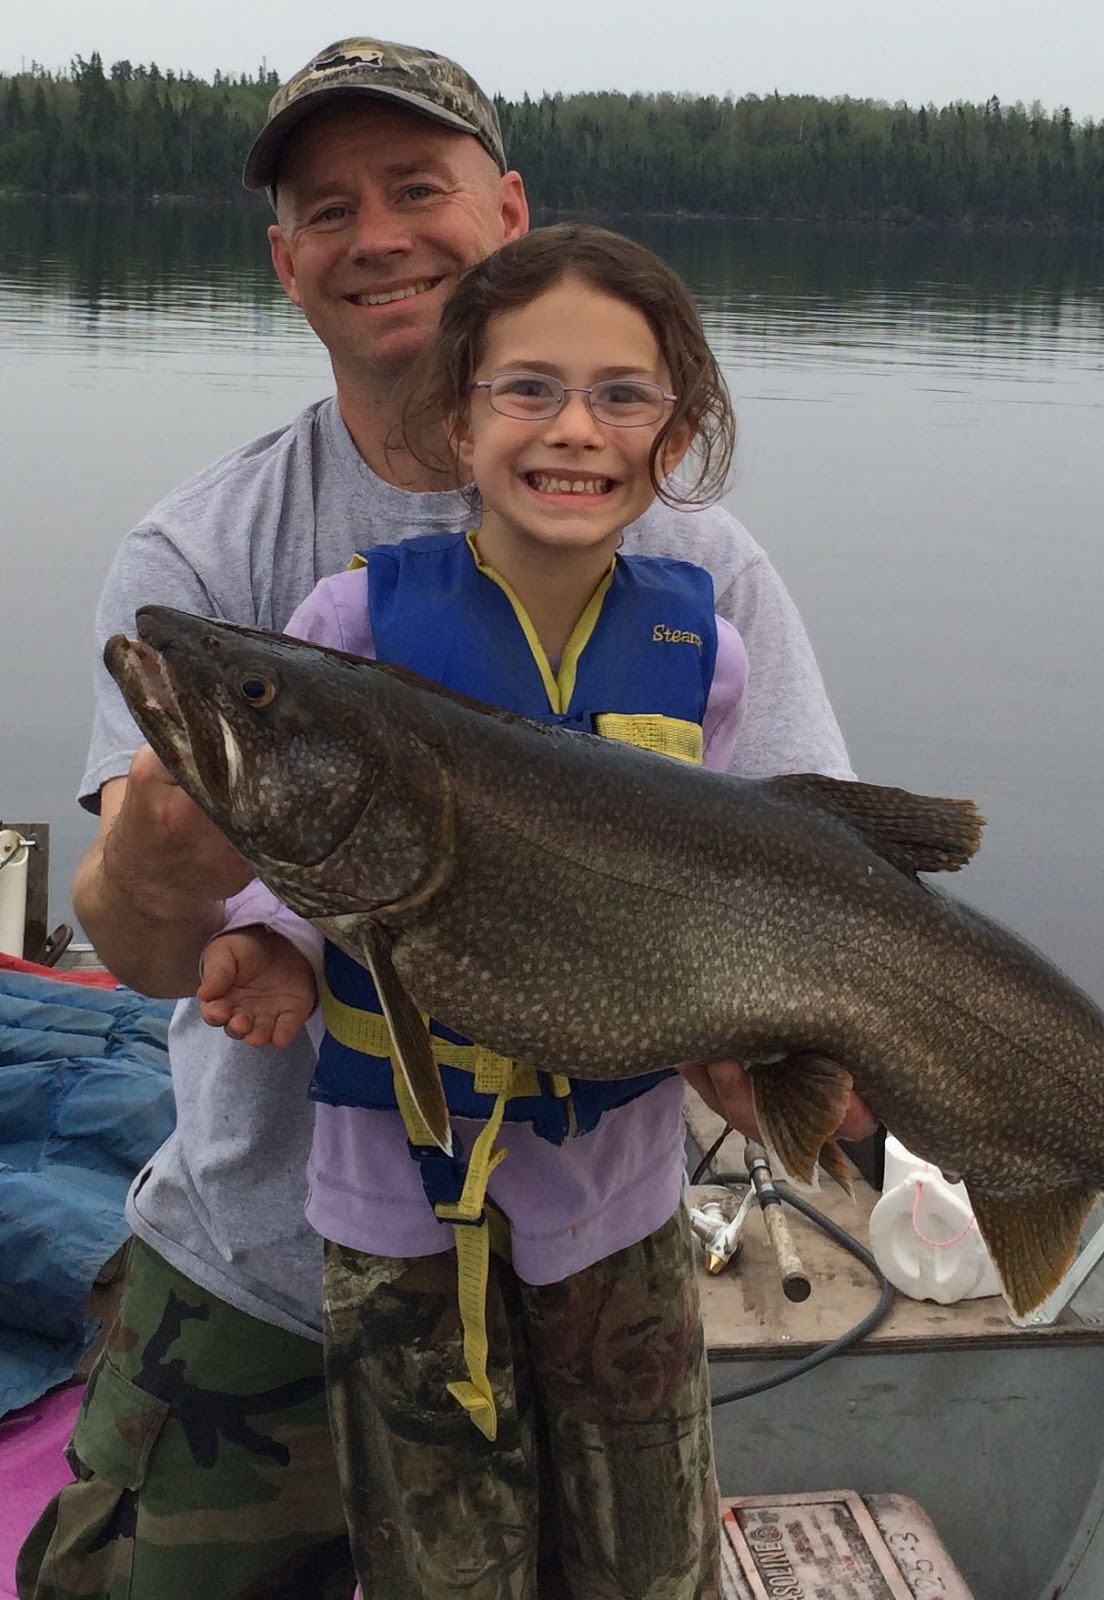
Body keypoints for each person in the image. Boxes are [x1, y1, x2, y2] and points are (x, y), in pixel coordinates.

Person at [18, 37, 867, 1600]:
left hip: (589, 1250)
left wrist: (780, 1059)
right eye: (328, 210)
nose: (379, 236)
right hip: (268, 1256)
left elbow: (805, 883)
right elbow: (144, 956)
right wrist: (161, 864)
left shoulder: (694, 570)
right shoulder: (203, 551)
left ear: (508, 212)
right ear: (285, 262)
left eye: (417, 187)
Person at [199, 222, 748, 1597]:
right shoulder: (349, 626)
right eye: (528, 389)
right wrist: (267, 936)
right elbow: (308, 824)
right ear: (458, 420)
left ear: (675, 434)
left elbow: (725, 883)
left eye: (622, 394)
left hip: (617, 1200)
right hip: (397, 1206)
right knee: (440, 1569)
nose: (575, 429)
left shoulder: (707, 653)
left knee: (648, 1560)